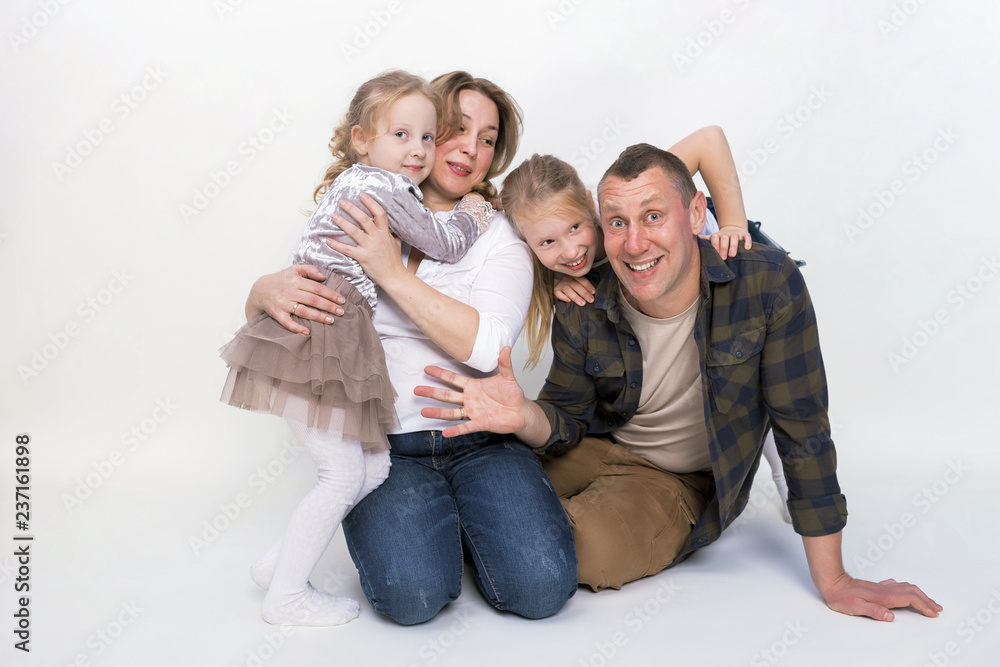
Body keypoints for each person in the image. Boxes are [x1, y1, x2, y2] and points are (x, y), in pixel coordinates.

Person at [417, 143, 942, 621]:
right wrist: (524, 415)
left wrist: (835, 579)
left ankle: (481, 540)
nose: (635, 241)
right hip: (600, 444)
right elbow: (567, 418)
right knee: (498, 478)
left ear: (695, 213)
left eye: (652, 216)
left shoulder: (766, 284)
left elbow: (802, 431)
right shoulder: (582, 295)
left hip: (676, 480)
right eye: (617, 223)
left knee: (579, 552)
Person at [244, 71, 577, 625]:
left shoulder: (495, 233)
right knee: (411, 599)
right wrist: (261, 290)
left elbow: (486, 345)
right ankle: (301, 573)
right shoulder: (369, 198)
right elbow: (310, 294)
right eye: (458, 128)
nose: (471, 147)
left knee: (540, 590)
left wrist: (389, 273)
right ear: (424, 130)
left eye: (489, 139)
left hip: (479, 441)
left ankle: (474, 526)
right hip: (387, 446)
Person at [219, 70, 494, 626]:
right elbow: (440, 243)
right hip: (326, 330)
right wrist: (475, 212)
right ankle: (287, 599)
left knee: (373, 467)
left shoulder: (356, 181)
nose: (417, 150)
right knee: (343, 475)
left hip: (334, 326)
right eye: (401, 135)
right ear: (361, 138)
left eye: (425, 137)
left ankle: (278, 568)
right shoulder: (386, 189)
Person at [500, 135, 790, 522]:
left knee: (755, 372)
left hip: (721, 253)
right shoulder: (567, 276)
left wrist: (735, 224)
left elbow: (709, 141)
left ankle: (785, 476)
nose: (569, 251)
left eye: (575, 228)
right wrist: (556, 284)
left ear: (592, 203)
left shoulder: (631, 197)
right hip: (675, 317)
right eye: (548, 242)